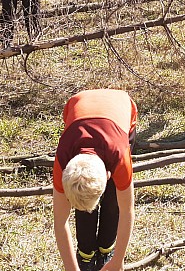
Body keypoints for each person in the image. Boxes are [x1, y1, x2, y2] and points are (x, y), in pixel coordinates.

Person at [53, 89, 137, 271]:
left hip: (120, 108)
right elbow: (60, 221)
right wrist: (71, 268)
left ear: (107, 176)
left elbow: (126, 211)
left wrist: (118, 261)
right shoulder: (63, 161)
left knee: (114, 200)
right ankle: (85, 253)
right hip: (78, 103)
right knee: (83, 196)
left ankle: (107, 249)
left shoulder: (119, 156)